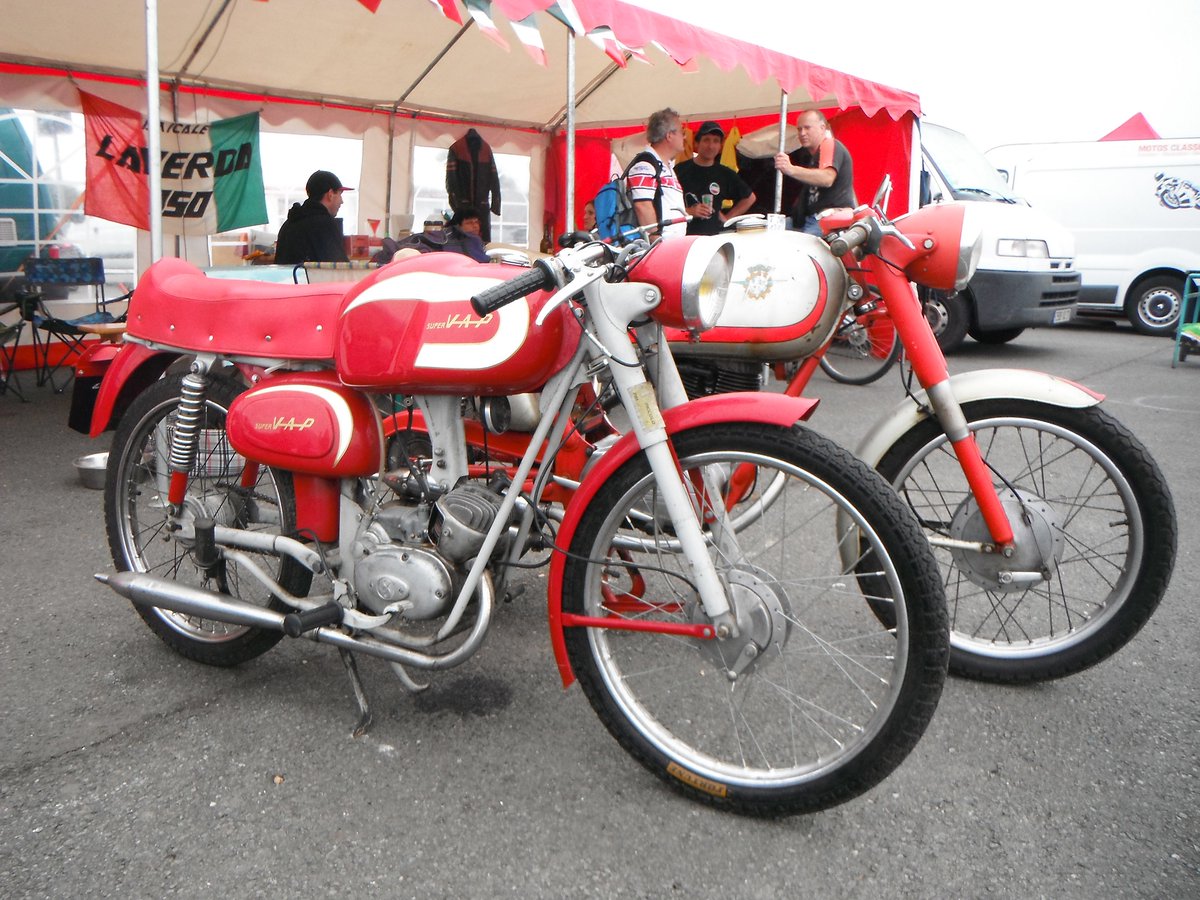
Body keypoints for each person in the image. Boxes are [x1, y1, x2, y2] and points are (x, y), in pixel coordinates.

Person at [628, 108, 708, 238]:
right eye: (682, 132)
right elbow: (642, 205)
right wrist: (655, 241)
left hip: (672, 244)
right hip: (660, 246)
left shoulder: (666, 166)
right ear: (669, 135)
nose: (685, 136)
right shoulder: (645, 165)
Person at [774, 110, 856, 236]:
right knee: (772, 232)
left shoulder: (829, 144)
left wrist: (791, 169)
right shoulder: (815, 157)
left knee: (802, 249)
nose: (802, 133)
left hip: (829, 218)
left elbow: (827, 178)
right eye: (799, 129)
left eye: (807, 128)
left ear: (822, 128)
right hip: (812, 218)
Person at [676, 121, 756, 236]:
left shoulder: (725, 173)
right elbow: (667, 204)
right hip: (684, 237)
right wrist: (688, 211)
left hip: (713, 239)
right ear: (697, 144)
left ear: (720, 146)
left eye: (716, 141)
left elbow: (750, 198)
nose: (711, 146)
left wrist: (727, 218)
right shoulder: (680, 170)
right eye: (706, 140)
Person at [274, 170, 352, 265]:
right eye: (340, 195)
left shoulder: (289, 223)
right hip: (312, 280)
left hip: (288, 279)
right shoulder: (325, 225)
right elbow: (339, 268)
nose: (342, 201)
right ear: (330, 194)